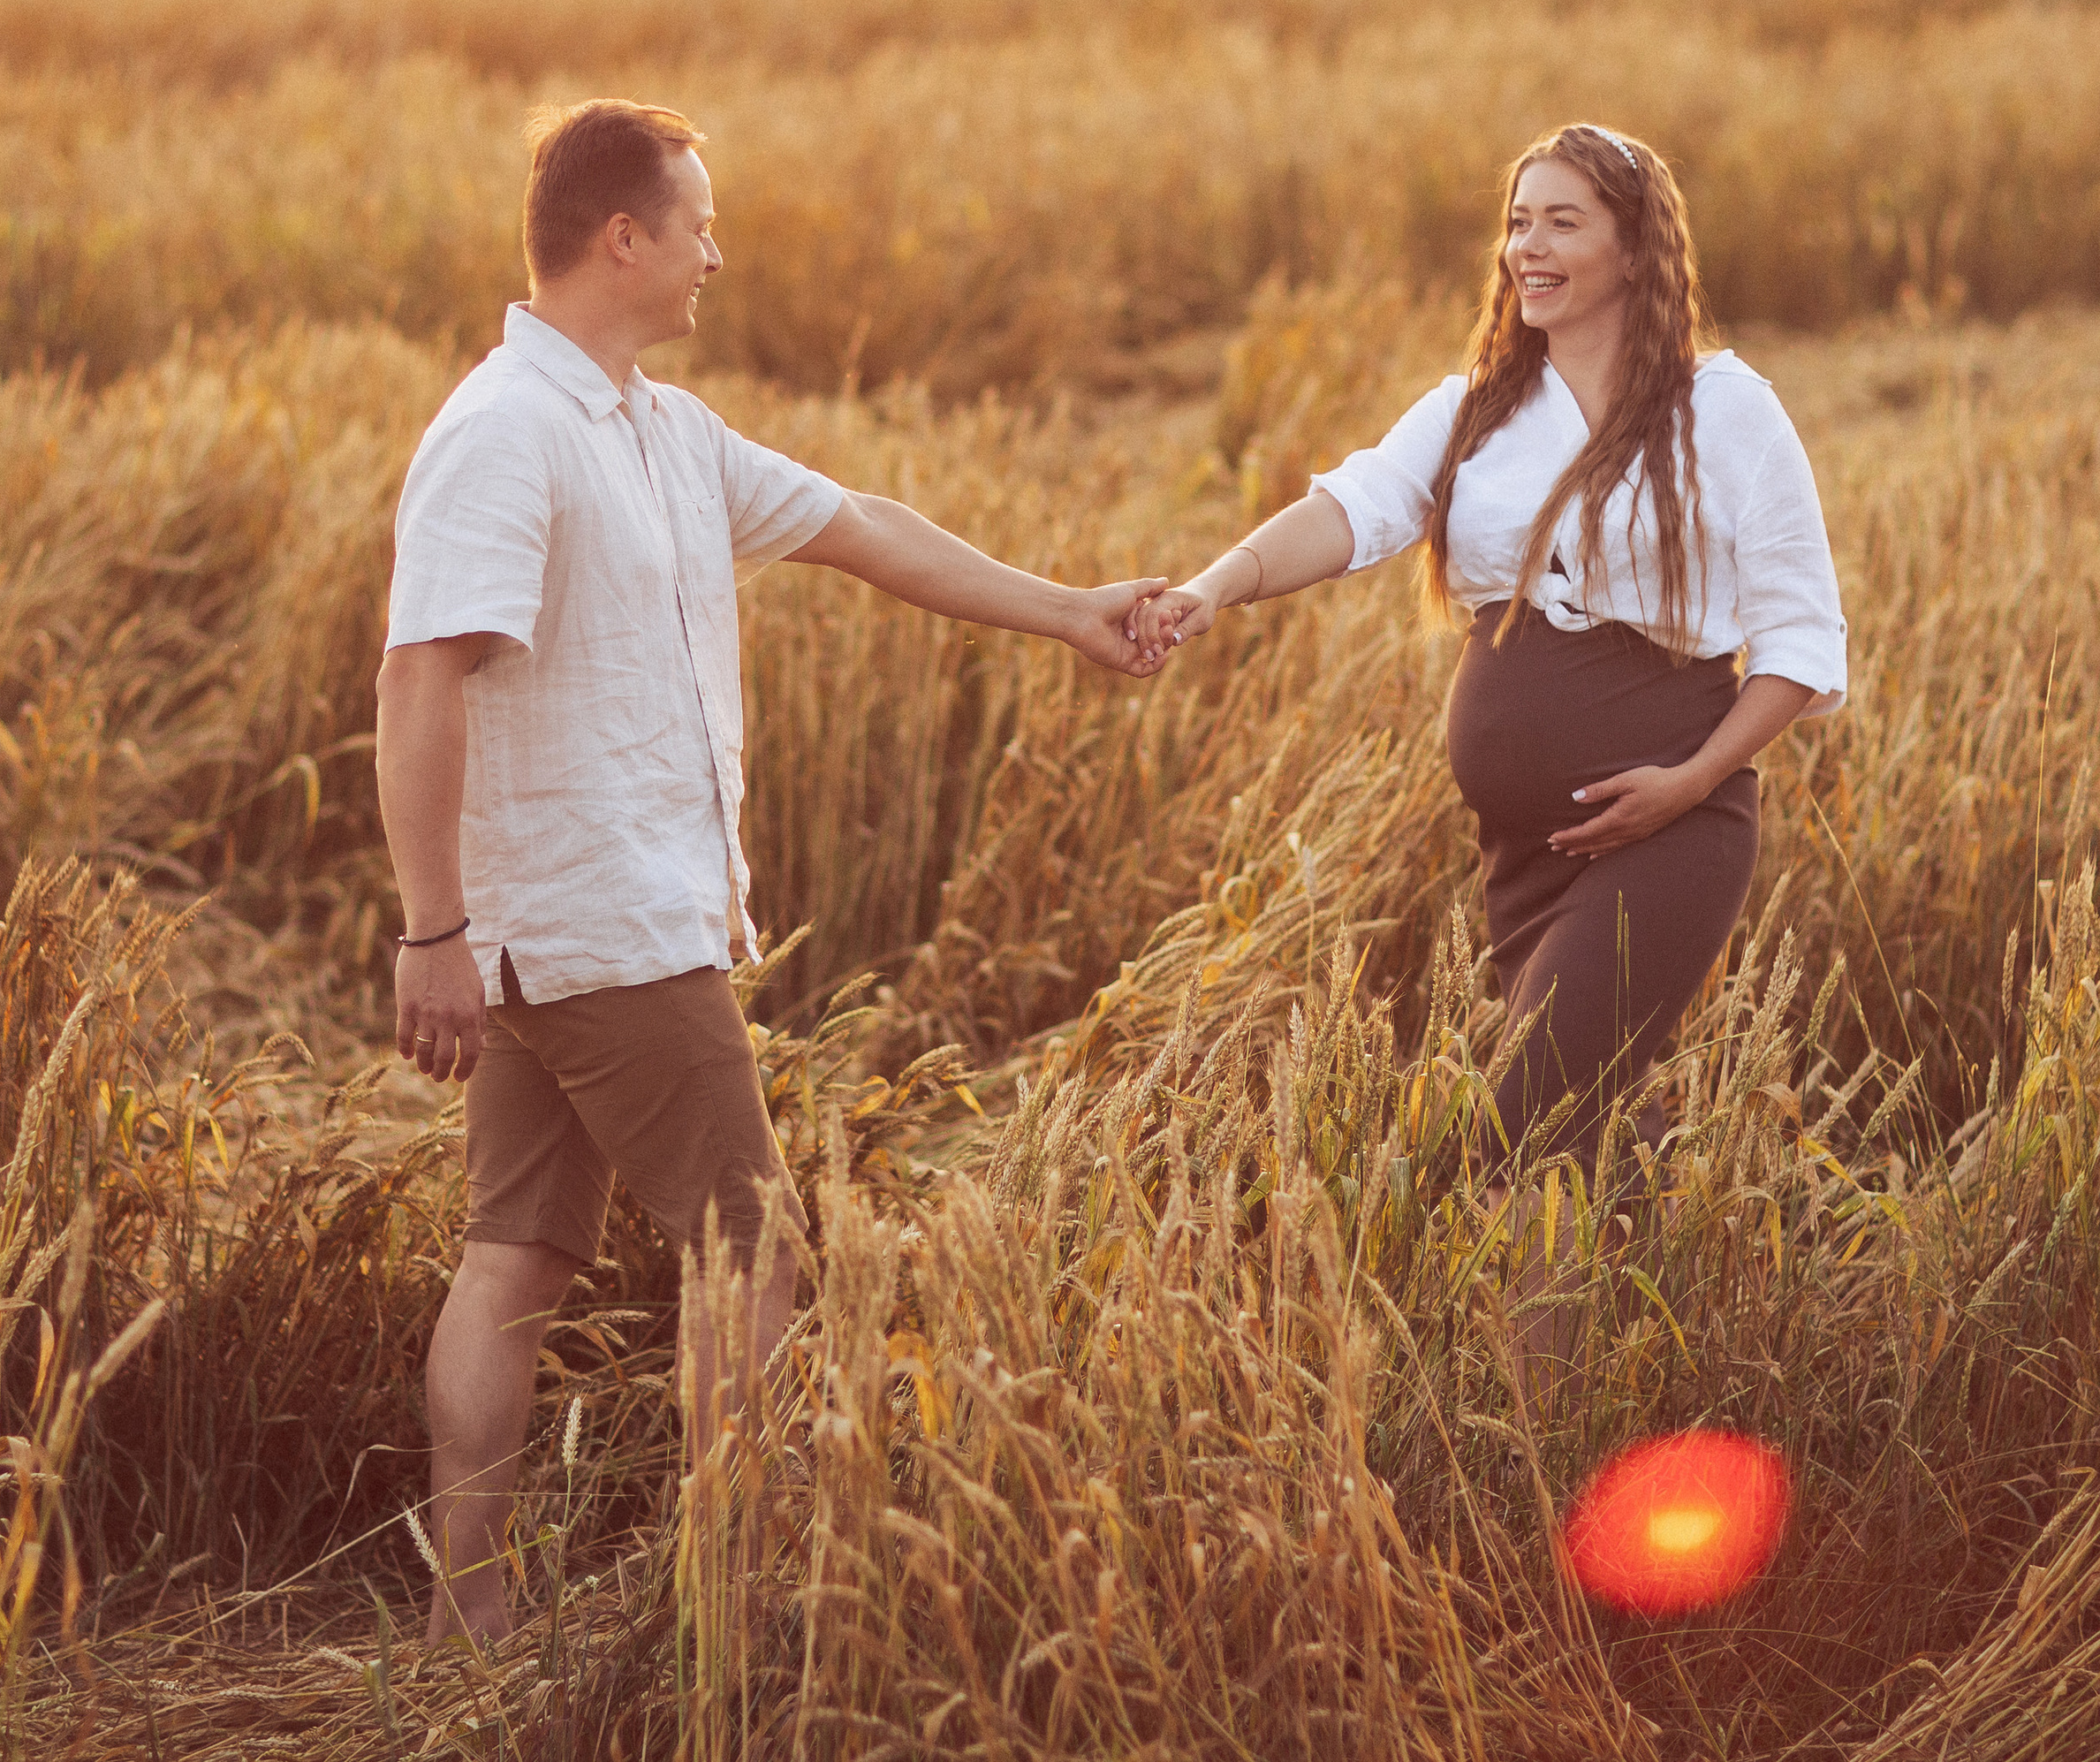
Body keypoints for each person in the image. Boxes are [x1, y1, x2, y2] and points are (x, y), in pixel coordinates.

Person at [376, 98, 1171, 1647]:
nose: (716, 254)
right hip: (600, 925)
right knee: (758, 1258)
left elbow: (862, 527)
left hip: (576, 925)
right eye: (700, 223)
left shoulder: (662, 430)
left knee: (518, 1252)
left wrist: (1069, 608)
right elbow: (418, 683)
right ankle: (730, 1613)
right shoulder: (503, 433)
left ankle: (473, 1619)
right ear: (625, 237)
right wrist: (431, 936)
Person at [1141, 123, 1846, 1183]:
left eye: (1563, 221)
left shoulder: (1726, 409)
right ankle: (1729, 1273)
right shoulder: (1477, 405)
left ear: (1637, 247)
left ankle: (1557, 1346)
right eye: (1518, 222)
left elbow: (1801, 637)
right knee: (1581, 1134)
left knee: (1518, 1131)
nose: (1529, 246)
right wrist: (1212, 586)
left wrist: (1693, 781)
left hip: (1668, 828)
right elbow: (1356, 507)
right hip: (1521, 853)